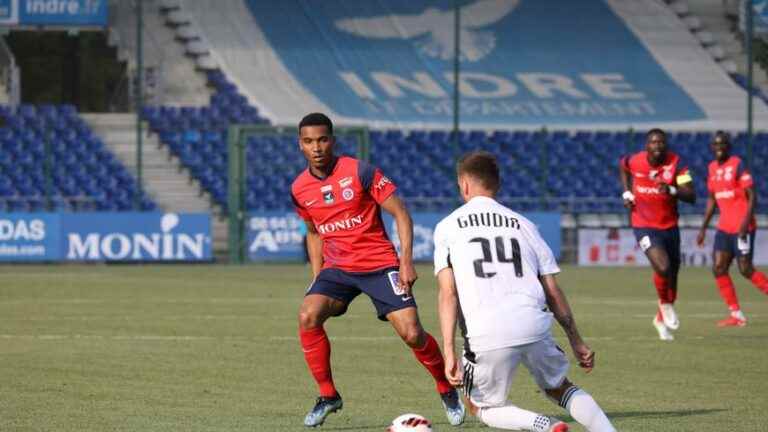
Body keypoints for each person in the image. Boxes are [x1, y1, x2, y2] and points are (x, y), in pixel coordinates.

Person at [290, 113, 465, 427]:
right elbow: (313, 232)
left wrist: (406, 261)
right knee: (307, 314)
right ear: (300, 145)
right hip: (338, 269)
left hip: (379, 264)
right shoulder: (299, 188)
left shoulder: (359, 171)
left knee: (412, 333)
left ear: (332, 140)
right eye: (308, 141)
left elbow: (400, 212)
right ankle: (328, 394)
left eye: (322, 139)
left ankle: (445, 386)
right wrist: (317, 276)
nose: (316, 147)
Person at [434, 151, 616, 432]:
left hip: (485, 332)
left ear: (464, 184)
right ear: (497, 184)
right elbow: (553, 291)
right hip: (534, 324)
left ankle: (544, 425)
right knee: (559, 387)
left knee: (480, 405)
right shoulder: (525, 225)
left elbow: (448, 293)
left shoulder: (447, 227)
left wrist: (448, 352)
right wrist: (576, 340)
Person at [619, 128, 695, 341]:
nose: (657, 146)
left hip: (670, 226)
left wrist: (670, 190)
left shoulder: (677, 164)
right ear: (647, 145)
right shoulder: (635, 161)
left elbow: (691, 195)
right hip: (643, 225)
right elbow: (622, 166)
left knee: (672, 276)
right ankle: (666, 304)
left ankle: (660, 319)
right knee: (662, 267)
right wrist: (626, 192)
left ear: (666, 145)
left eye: (661, 142)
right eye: (653, 142)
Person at [696, 131, 768, 327]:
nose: (719, 147)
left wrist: (745, 223)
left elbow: (752, 196)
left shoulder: (738, 164)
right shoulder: (711, 168)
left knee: (745, 269)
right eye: (716, 144)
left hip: (742, 227)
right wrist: (703, 228)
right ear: (712, 147)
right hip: (724, 227)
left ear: (728, 146)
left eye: (723, 144)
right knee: (719, 267)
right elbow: (712, 199)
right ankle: (736, 314)